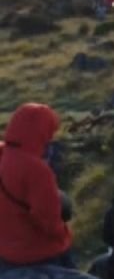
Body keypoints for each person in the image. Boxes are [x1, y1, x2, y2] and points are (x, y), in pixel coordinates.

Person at [0, 103, 73, 268]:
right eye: (49, 132)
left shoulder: (4, 154)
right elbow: (48, 219)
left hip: (5, 249)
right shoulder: (37, 170)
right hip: (35, 252)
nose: (50, 138)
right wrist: (63, 234)